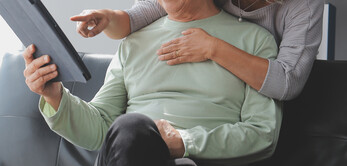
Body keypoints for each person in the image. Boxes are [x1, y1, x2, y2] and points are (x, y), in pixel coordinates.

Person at [23, 0, 282, 166]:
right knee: (122, 145)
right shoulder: (133, 42)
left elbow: (263, 134)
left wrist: (182, 142)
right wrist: (54, 95)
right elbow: (101, 128)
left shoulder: (254, 41)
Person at [70, 0, 324, 101]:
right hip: (199, 97)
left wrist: (213, 48)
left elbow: (287, 82)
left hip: (250, 104)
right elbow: (145, 14)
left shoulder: (304, 6)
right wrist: (106, 18)